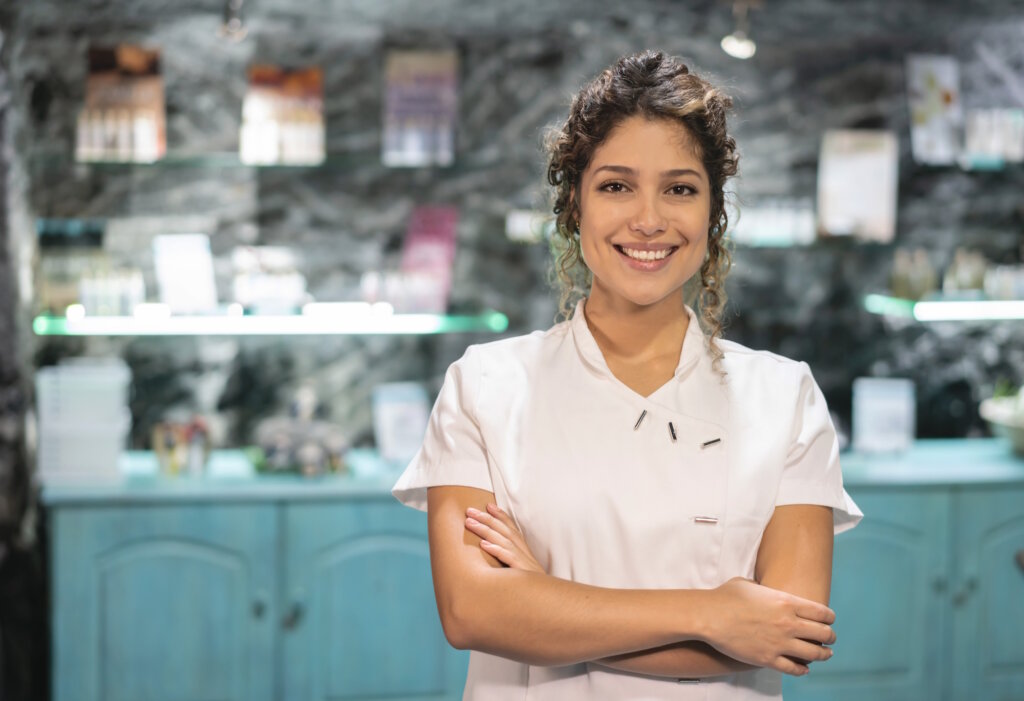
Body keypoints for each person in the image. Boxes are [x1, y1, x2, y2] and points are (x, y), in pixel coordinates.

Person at [392, 49, 862, 700]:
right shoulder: (486, 385)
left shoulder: (785, 398)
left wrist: (543, 602)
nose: (649, 218)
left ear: (711, 213)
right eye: (616, 185)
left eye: (680, 187)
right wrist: (714, 613)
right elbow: (473, 611)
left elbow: (784, 634)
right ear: (575, 204)